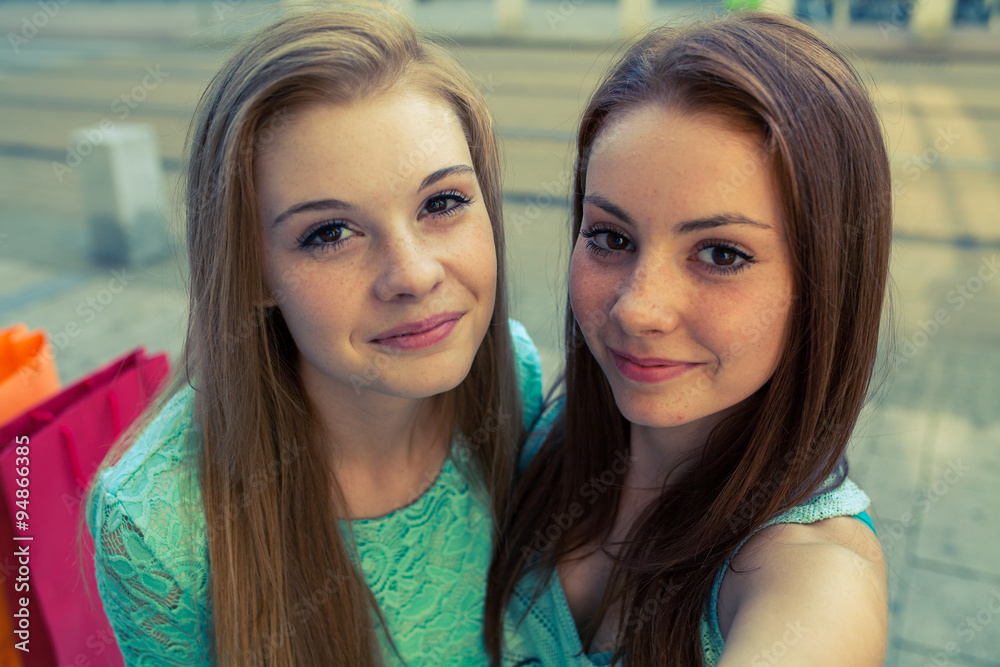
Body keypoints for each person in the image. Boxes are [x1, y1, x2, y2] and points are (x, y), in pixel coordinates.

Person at [86, 4, 543, 665]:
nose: (413, 274)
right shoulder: (160, 526)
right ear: (253, 271)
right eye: (329, 233)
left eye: (442, 202)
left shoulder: (514, 377)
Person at [486, 13, 890, 666]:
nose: (640, 307)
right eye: (611, 237)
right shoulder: (530, 430)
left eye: (721, 254)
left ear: (825, 282)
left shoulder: (812, 575)